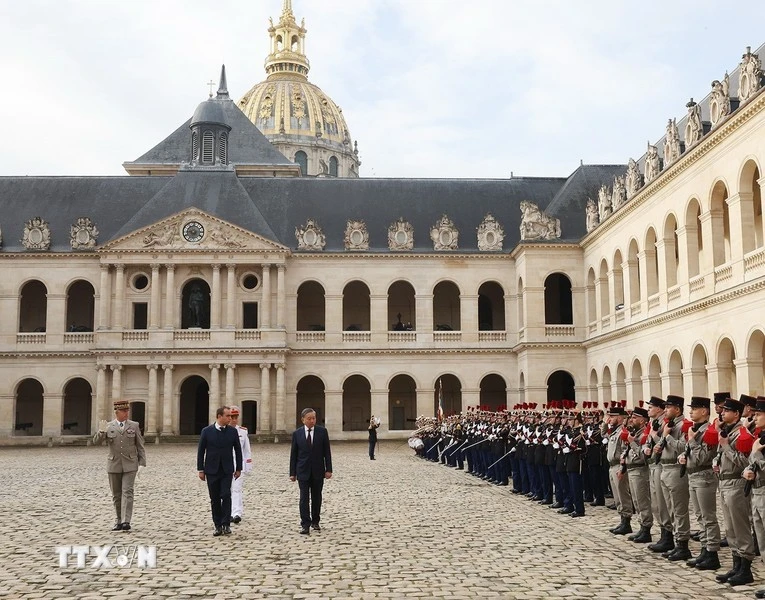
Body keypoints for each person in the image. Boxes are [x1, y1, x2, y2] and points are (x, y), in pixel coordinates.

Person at [94, 399, 147, 532]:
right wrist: (101, 432)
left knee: (127, 492)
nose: (126, 413)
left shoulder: (134, 425)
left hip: (130, 463)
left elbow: (140, 445)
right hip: (114, 464)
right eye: (124, 411)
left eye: (127, 410)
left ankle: (126, 521)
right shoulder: (109, 426)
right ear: (116, 412)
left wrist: (142, 463)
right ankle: (118, 520)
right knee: (116, 494)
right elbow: (96, 443)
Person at [197, 406, 242, 537]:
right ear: (219, 416)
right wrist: (201, 469)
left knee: (226, 495)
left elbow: (238, 450)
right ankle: (217, 525)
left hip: (227, 469)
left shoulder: (232, 432)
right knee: (215, 498)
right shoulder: (207, 431)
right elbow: (201, 452)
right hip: (211, 470)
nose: (230, 418)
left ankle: (226, 523)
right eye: (227, 416)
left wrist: (239, 468)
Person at [289, 408, 333, 535]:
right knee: (304, 498)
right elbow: (294, 454)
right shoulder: (297, 434)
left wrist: (328, 469)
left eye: (313, 418)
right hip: (302, 471)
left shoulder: (322, 432)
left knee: (316, 497)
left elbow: (327, 452)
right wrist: (292, 473)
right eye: (309, 418)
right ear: (303, 419)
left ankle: (315, 521)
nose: (312, 420)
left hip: (318, 470)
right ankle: (305, 524)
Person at [229, 406, 253, 524]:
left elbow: (246, 450)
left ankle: (237, 513)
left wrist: (247, 466)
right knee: (227, 490)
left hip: (239, 465)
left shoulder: (242, 431)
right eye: (232, 417)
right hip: (226, 465)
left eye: (236, 417)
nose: (234, 420)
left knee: (237, 489)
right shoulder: (224, 431)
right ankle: (228, 512)